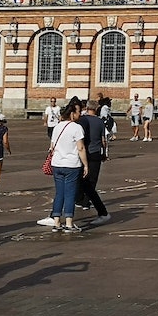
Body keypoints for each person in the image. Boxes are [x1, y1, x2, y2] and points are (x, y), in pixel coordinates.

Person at [38, 102, 89, 232]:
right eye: (78, 112)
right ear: (72, 114)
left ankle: (56, 221)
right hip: (71, 164)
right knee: (70, 193)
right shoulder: (76, 128)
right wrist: (85, 165)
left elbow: (52, 146)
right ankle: (69, 222)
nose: (79, 114)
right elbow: (81, 147)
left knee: (59, 192)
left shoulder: (57, 127)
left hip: (57, 163)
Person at [77, 99, 111, 226]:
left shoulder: (82, 120)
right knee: (92, 179)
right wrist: (104, 154)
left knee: (81, 177)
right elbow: (103, 140)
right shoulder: (100, 121)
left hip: (85, 152)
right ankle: (86, 201)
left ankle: (81, 199)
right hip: (96, 152)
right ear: (96, 109)